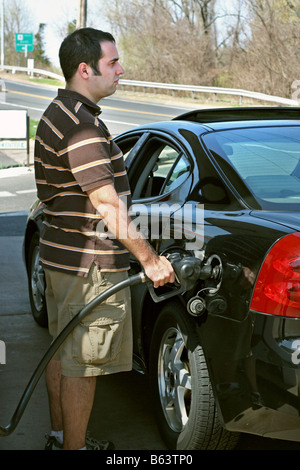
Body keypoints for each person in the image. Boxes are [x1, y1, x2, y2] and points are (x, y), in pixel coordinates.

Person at [34, 27, 174, 451]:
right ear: (85, 69)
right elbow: (107, 204)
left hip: (61, 261)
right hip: (89, 268)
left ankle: (61, 438)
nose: (120, 70)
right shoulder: (82, 128)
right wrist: (150, 260)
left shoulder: (58, 112)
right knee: (84, 366)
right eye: (112, 63)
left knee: (61, 353)